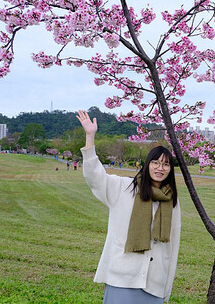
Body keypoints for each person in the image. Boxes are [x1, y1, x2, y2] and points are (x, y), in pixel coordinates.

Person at [76, 110, 181, 303]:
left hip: (154, 282)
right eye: (156, 163)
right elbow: (95, 177)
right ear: (147, 164)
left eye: (165, 165)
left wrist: (167, 286)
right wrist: (90, 136)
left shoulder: (171, 201)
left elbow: (173, 246)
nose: (160, 168)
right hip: (122, 278)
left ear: (170, 170)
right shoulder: (123, 187)